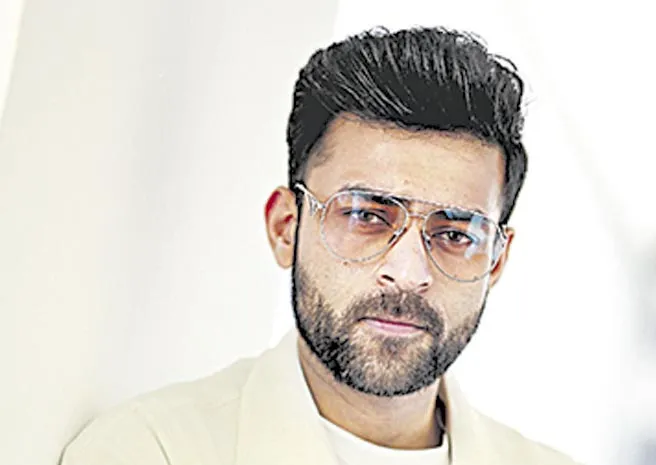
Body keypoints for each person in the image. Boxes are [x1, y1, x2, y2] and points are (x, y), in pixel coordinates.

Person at [61, 26, 579, 465]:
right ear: (286, 227)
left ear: (496, 261)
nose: (407, 272)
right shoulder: (149, 450)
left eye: (454, 235)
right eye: (366, 215)